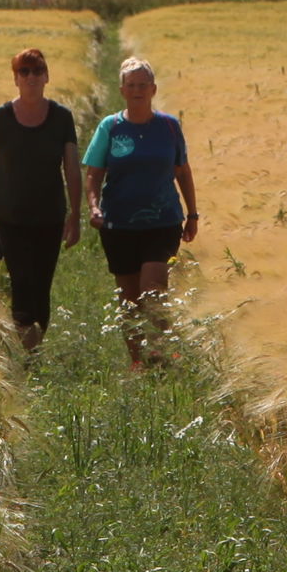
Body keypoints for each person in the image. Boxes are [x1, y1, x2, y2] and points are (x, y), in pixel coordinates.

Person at [82, 55, 198, 368]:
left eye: (143, 85)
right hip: (118, 223)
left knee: (154, 290)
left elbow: (182, 171)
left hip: (163, 221)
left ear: (153, 89)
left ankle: (161, 355)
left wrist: (193, 214)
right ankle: (137, 362)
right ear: (122, 90)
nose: (138, 90)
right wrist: (93, 206)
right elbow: (93, 173)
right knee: (130, 300)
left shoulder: (169, 127)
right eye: (131, 85)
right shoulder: (111, 127)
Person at [0, 46, 84, 351]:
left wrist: (75, 215)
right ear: (16, 79)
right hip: (10, 216)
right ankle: (29, 354)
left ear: (47, 77)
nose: (31, 77)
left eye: (37, 71)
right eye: (25, 71)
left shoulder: (62, 118)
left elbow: (72, 168)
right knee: (21, 282)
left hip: (49, 215)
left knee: (41, 286)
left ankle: (34, 349)